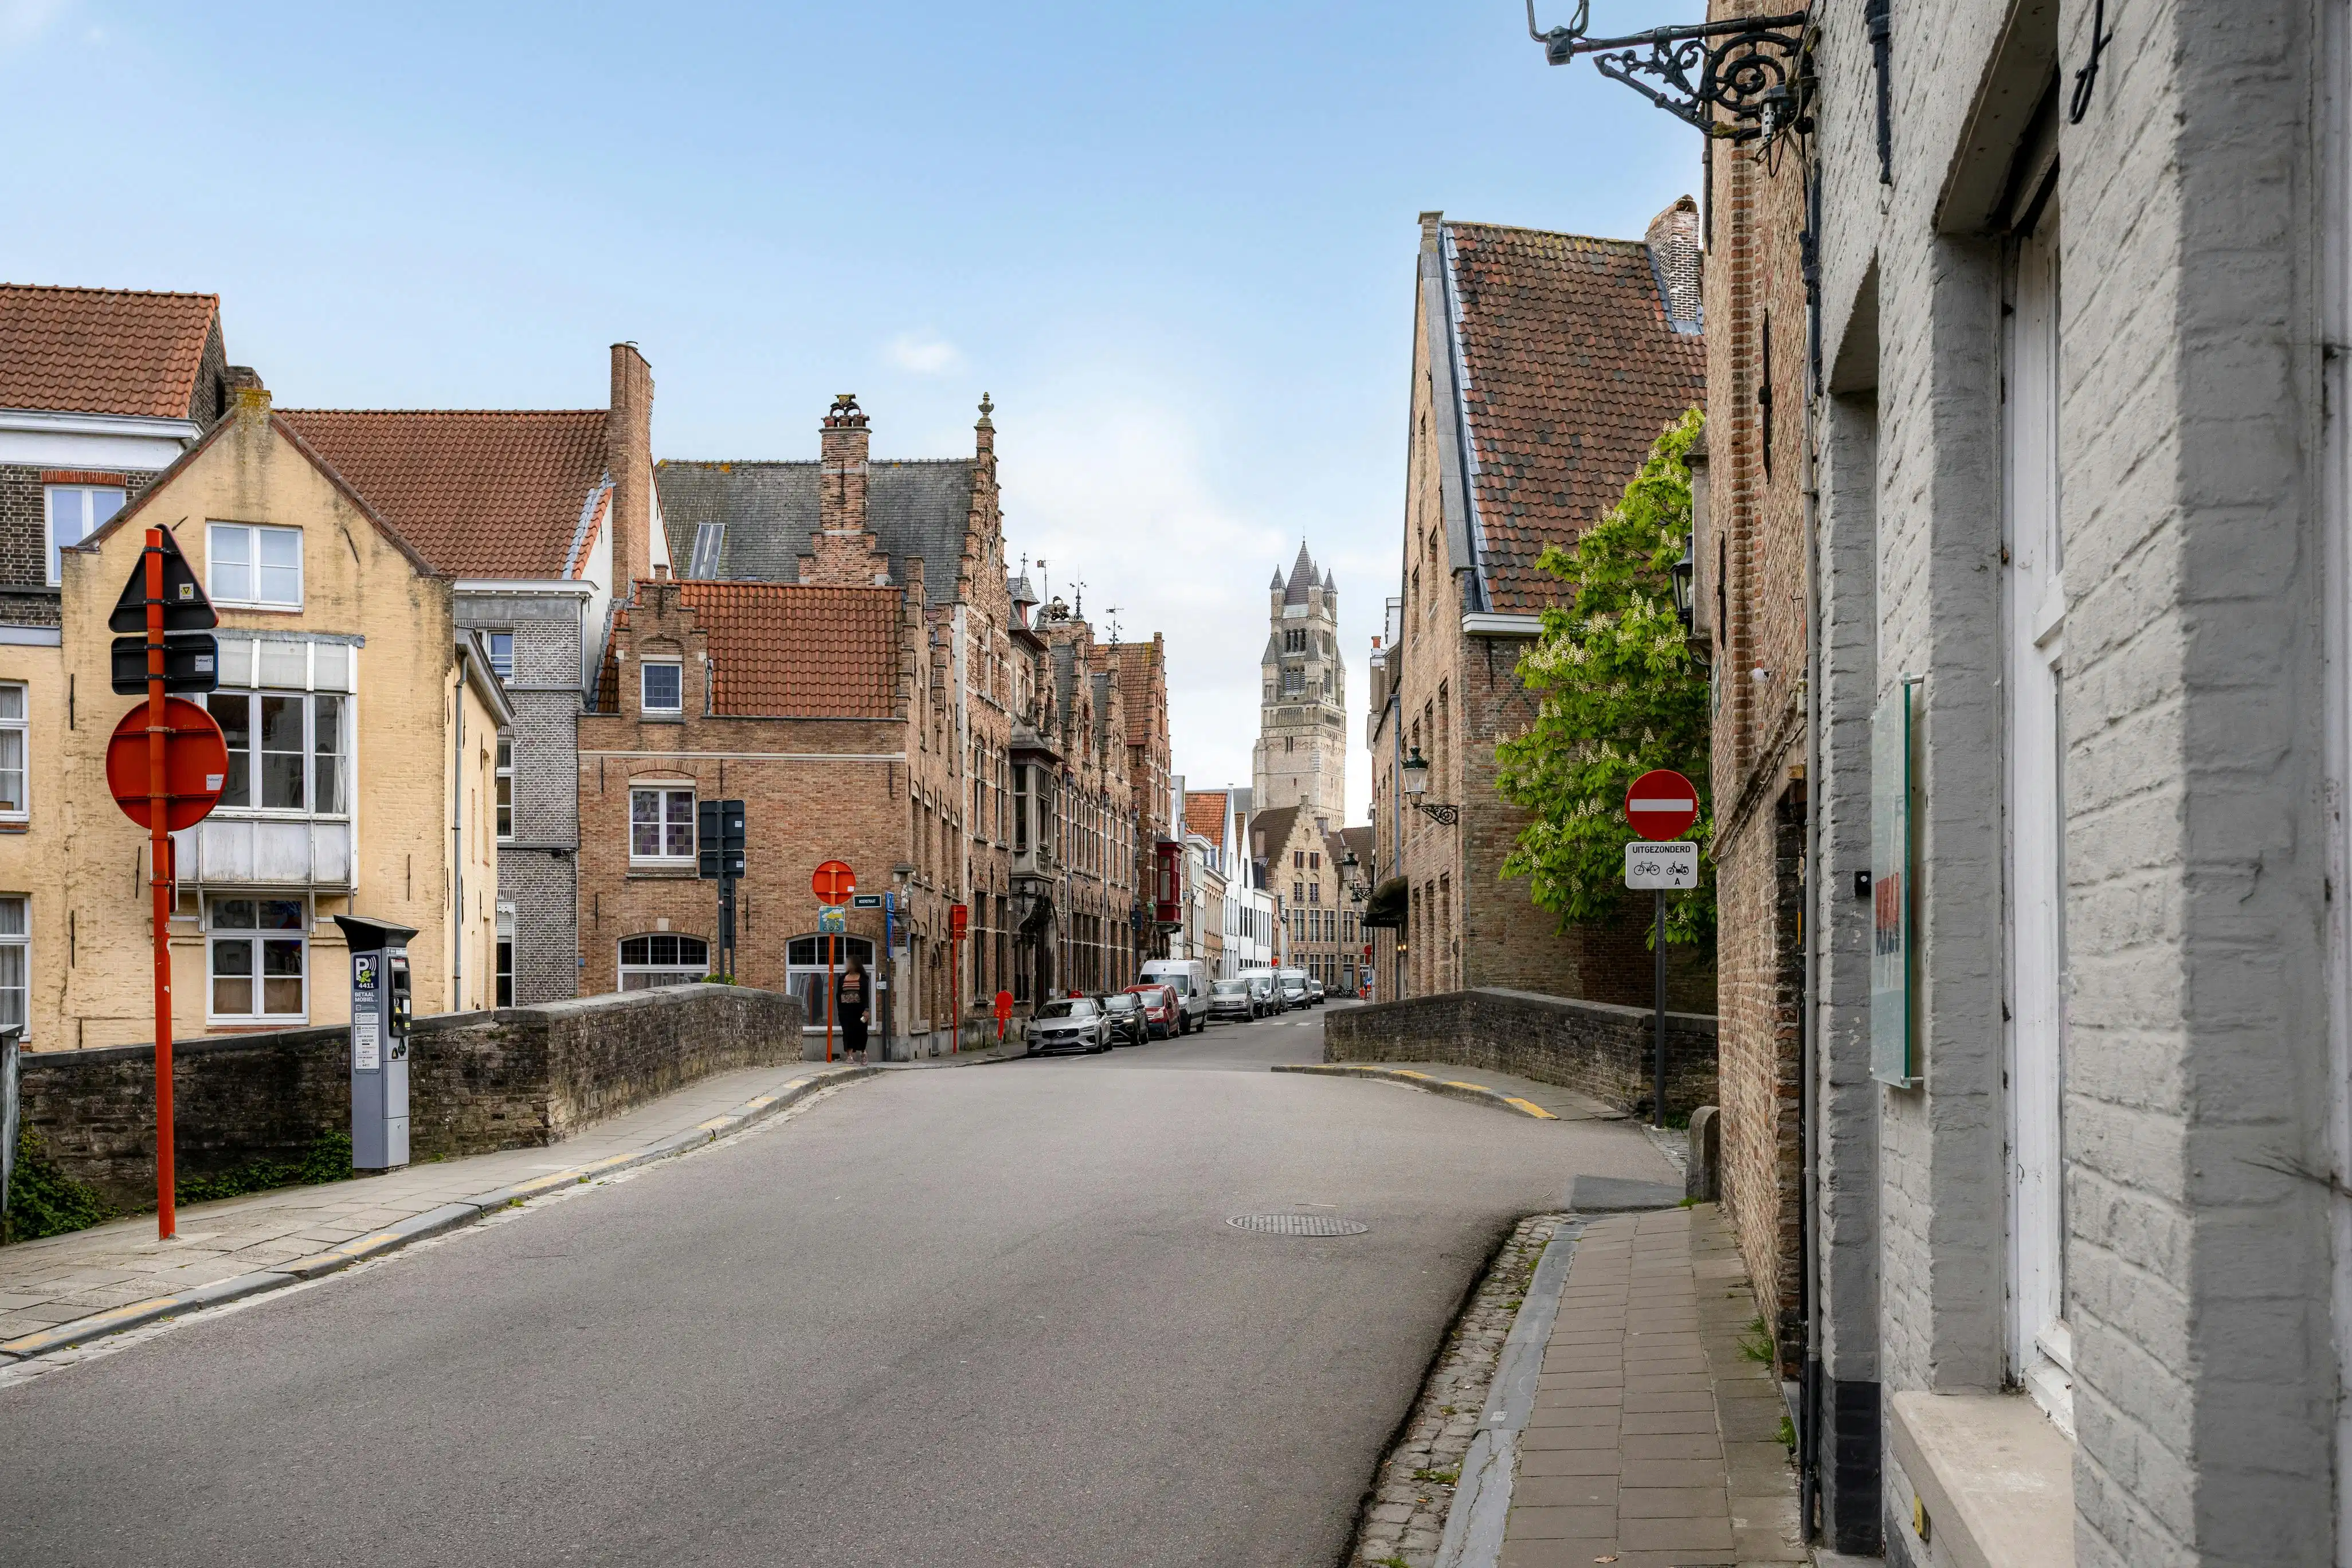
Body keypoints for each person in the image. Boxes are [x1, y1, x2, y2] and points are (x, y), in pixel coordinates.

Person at [837, 952, 871, 1064]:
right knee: (847, 1032)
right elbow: (838, 995)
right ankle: (850, 1055)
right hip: (846, 1011)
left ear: (855, 964)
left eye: (849, 963)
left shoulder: (863, 978)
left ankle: (863, 1053)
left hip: (860, 1010)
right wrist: (840, 1010)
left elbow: (866, 995)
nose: (847, 965)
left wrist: (866, 1010)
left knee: (861, 1031)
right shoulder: (842, 978)